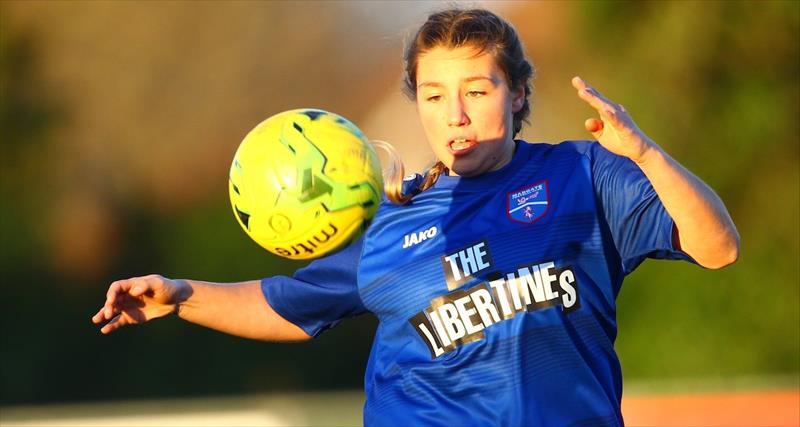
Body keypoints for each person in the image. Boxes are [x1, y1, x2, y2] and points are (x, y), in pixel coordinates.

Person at [92, 8, 739, 427]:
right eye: (434, 95)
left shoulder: (584, 175)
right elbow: (288, 304)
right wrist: (181, 295)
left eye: (476, 91)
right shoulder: (389, 218)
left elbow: (718, 247)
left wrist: (648, 155)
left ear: (517, 94)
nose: (454, 113)